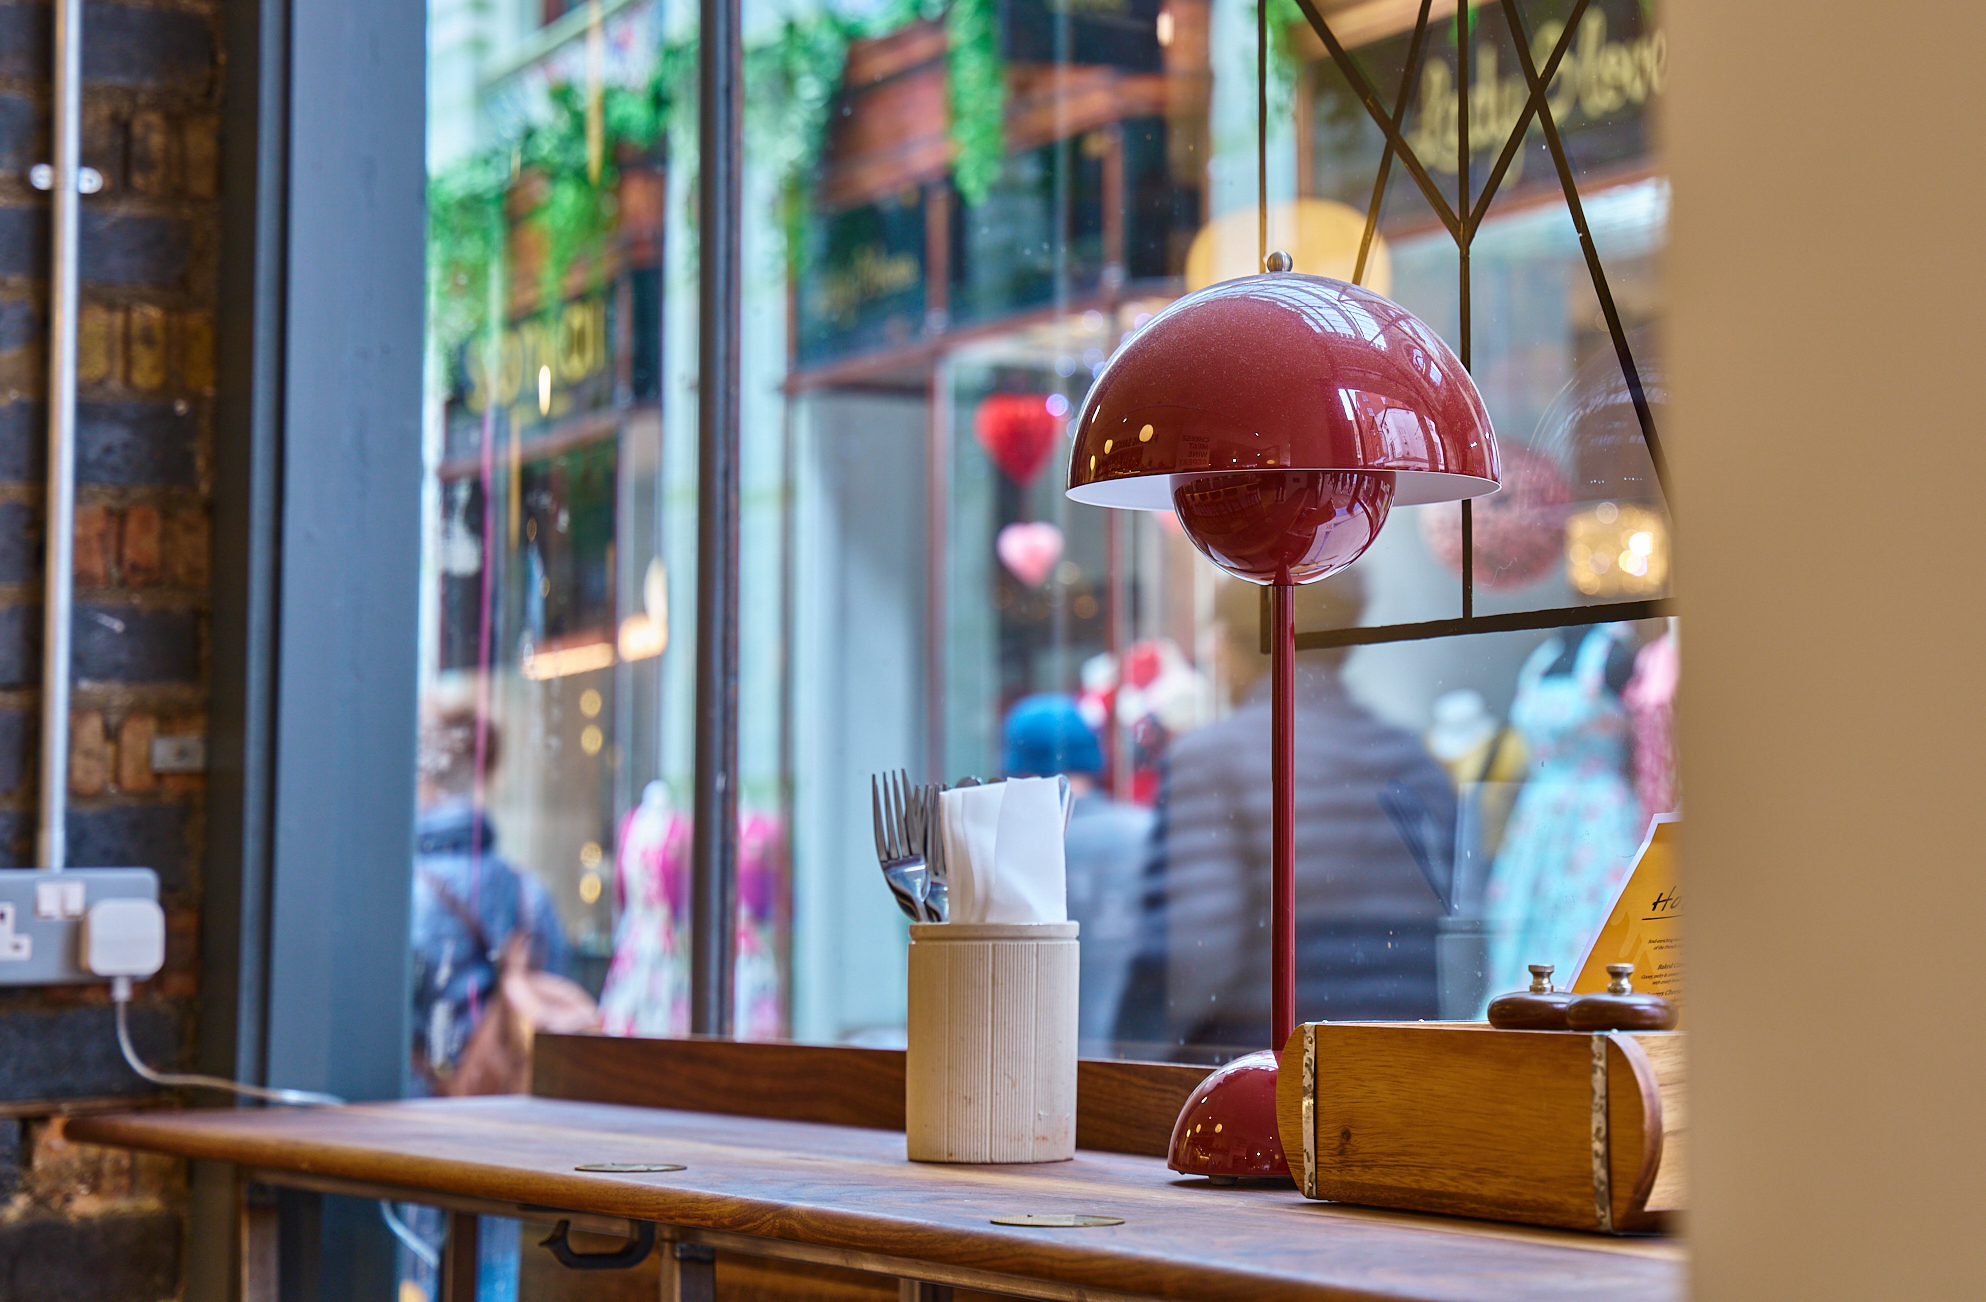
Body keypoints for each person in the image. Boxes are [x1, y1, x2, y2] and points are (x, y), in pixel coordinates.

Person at [1113, 572, 1456, 1056]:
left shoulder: (1213, 760)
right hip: (1394, 1073)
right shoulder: (1414, 764)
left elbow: (1194, 954)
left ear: (1236, 646)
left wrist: (1128, 1055)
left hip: (1260, 1078)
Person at [1002, 693, 1152, 1051]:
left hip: (1035, 1067)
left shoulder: (1010, 851)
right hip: (1146, 1064)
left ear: (1017, 771)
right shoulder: (1148, 832)